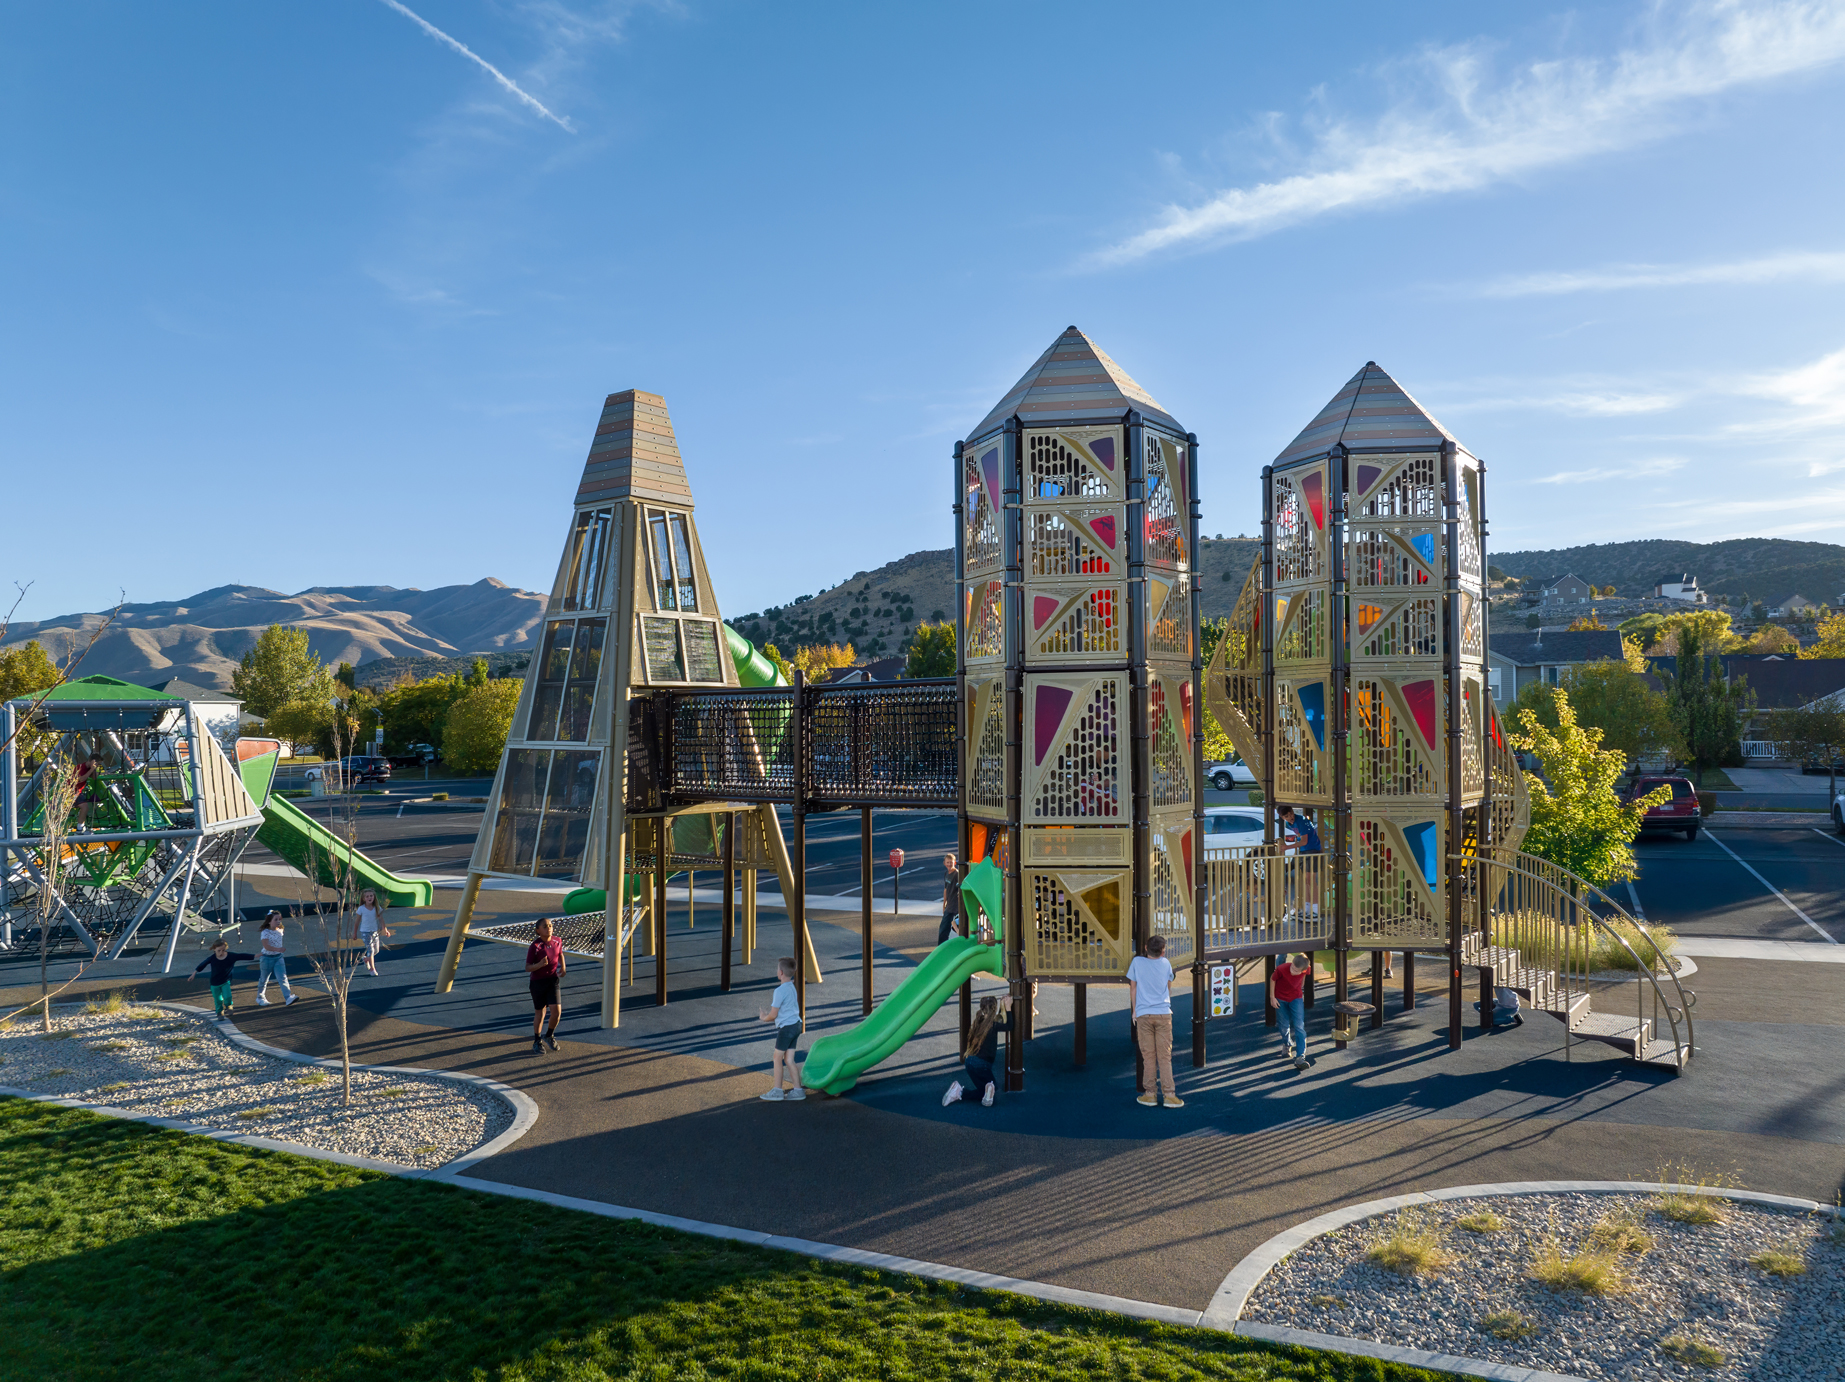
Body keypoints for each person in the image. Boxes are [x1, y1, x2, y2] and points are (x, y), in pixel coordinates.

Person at [1126, 935, 1184, 1108]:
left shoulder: (1137, 962)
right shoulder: (1166, 964)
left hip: (1144, 1013)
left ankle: (1150, 1094)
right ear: (1163, 951)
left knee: (1148, 1056)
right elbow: (1169, 987)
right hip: (1163, 1013)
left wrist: (1135, 1011)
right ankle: (1169, 1095)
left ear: (1145, 947)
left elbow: (1133, 988)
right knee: (1165, 1057)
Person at [941, 992, 1012, 1107]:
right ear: (994, 1009)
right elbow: (1009, 1026)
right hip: (983, 1065)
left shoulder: (978, 1022)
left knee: (981, 1091)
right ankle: (988, 1089)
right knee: (993, 1087)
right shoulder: (993, 1026)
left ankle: (959, 1091)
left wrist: (1002, 1007)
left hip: (970, 1062)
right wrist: (1008, 1007)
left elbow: (998, 1019)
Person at [757, 957, 807, 1101]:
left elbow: (773, 1014)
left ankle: (777, 1091)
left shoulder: (779, 991)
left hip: (787, 1028)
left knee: (776, 1058)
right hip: (796, 1025)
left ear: (780, 972)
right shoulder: (792, 986)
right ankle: (798, 1090)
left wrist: (763, 1017)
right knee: (789, 1059)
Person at [526, 917, 566, 1053]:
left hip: (552, 981)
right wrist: (539, 965)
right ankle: (537, 1041)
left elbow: (560, 953)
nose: (548, 928)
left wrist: (563, 967)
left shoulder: (557, 940)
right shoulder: (535, 946)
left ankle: (549, 1035)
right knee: (540, 1013)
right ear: (538, 930)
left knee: (557, 1012)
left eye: (550, 925)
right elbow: (527, 967)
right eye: (545, 926)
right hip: (537, 983)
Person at [1271, 952, 1312, 1070]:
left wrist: (1301, 985)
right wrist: (1272, 998)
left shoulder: (1306, 969)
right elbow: (1272, 980)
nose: (1293, 971)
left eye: (1296, 970)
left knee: (1299, 1025)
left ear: (1303, 971)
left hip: (1296, 998)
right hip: (1281, 998)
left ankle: (1300, 1056)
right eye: (1292, 967)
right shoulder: (1282, 968)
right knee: (1284, 1025)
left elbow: (1304, 976)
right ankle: (1287, 1043)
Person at [194, 940, 255, 1019]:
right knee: (218, 999)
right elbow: (203, 964)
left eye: (223, 950)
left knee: (227, 996)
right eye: (219, 950)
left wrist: (255, 956)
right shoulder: (212, 958)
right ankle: (220, 1012)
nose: (221, 953)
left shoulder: (230, 956)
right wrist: (195, 972)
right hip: (214, 983)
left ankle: (229, 1006)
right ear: (214, 949)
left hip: (225, 981)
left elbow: (241, 956)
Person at [255, 910, 298, 1007]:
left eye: (280, 919)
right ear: (269, 921)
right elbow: (266, 946)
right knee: (264, 979)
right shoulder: (265, 932)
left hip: (278, 958)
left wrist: (278, 951)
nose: (278, 921)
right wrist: (278, 949)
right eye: (276, 919)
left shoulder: (280, 930)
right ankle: (260, 997)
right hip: (266, 958)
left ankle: (288, 997)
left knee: (283, 978)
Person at [354, 888, 387, 977]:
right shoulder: (361, 909)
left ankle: (366, 959)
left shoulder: (377, 908)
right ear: (364, 898)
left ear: (374, 897)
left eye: (371, 896)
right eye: (367, 896)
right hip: (365, 932)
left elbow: (381, 919)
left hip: (374, 932)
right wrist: (355, 933)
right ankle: (372, 969)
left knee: (376, 950)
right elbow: (357, 921)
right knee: (371, 951)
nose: (369, 898)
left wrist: (385, 929)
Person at [937, 853, 962, 947]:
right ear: (944, 863)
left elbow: (961, 889)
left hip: (956, 907)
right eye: (947, 862)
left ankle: (964, 944)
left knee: (959, 927)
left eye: (951, 862)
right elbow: (946, 889)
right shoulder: (946, 874)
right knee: (943, 928)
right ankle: (941, 947)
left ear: (954, 863)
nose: (949, 864)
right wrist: (944, 904)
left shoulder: (957, 874)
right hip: (949, 906)